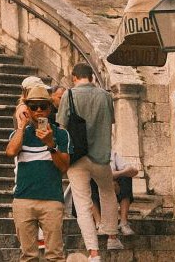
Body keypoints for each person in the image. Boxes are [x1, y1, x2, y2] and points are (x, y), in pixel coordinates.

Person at [56, 63, 124, 259]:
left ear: (74, 77)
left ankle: (93, 252)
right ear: (92, 77)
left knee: (83, 203)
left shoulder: (69, 95)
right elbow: (110, 121)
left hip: (77, 158)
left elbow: (61, 126)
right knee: (108, 193)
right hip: (101, 156)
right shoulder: (105, 96)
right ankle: (112, 237)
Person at [5, 87, 72, 262]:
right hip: (24, 199)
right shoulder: (20, 134)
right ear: (27, 109)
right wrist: (21, 127)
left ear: (50, 108)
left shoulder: (61, 134)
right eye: (34, 107)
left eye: (43, 106)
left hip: (51, 200)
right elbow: (11, 152)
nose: (39, 111)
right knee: (28, 256)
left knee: (55, 255)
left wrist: (50, 145)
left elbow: (64, 167)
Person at [89, 150, 139, 237]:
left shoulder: (112, 154)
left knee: (126, 177)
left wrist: (116, 175)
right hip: (95, 190)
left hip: (113, 188)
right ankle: (99, 223)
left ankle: (123, 222)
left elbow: (133, 171)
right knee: (87, 182)